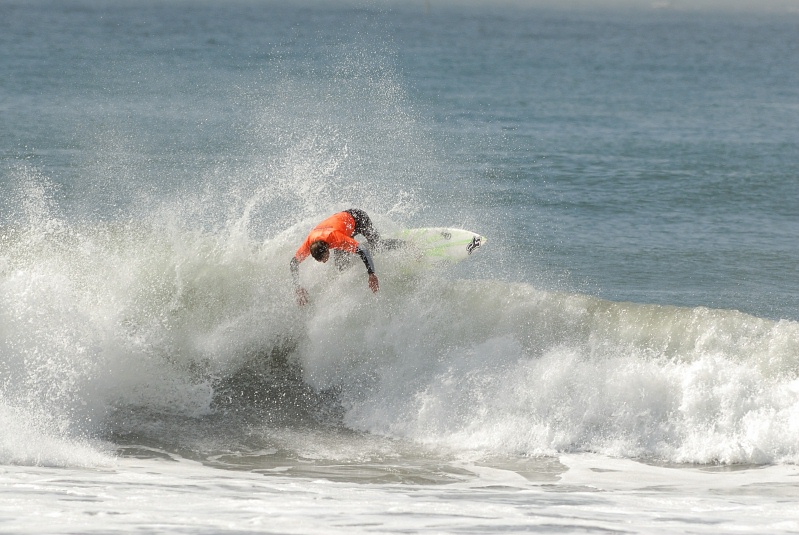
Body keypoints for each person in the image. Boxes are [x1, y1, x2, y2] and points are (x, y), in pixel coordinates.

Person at [290, 209, 390, 305]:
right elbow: (293, 262)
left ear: (326, 250)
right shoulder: (309, 242)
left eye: (324, 258)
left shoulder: (336, 239)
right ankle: (354, 246)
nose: (324, 262)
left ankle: (403, 243)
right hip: (341, 225)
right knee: (341, 267)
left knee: (378, 246)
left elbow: (363, 250)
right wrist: (297, 287)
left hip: (358, 218)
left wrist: (371, 274)